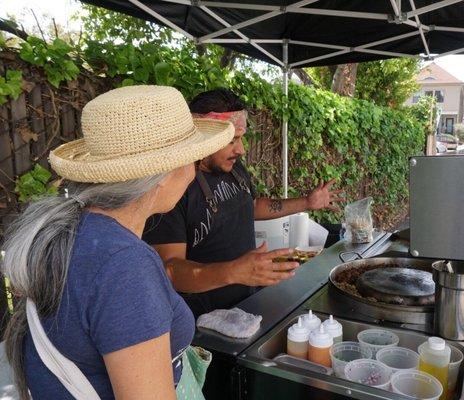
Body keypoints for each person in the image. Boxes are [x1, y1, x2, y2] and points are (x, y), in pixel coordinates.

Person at [2, 85, 234, 399]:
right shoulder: (124, 265)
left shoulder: (77, 232)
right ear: (163, 172)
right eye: (191, 159)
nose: (194, 171)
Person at [143, 88, 343, 318]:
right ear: (203, 138)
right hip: (204, 320)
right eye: (231, 140)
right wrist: (233, 272)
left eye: (241, 138)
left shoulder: (233, 169)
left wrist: (307, 202)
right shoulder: (172, 187)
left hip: (250, 302)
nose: (241, 149)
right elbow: (169, 270)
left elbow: (252, 206)